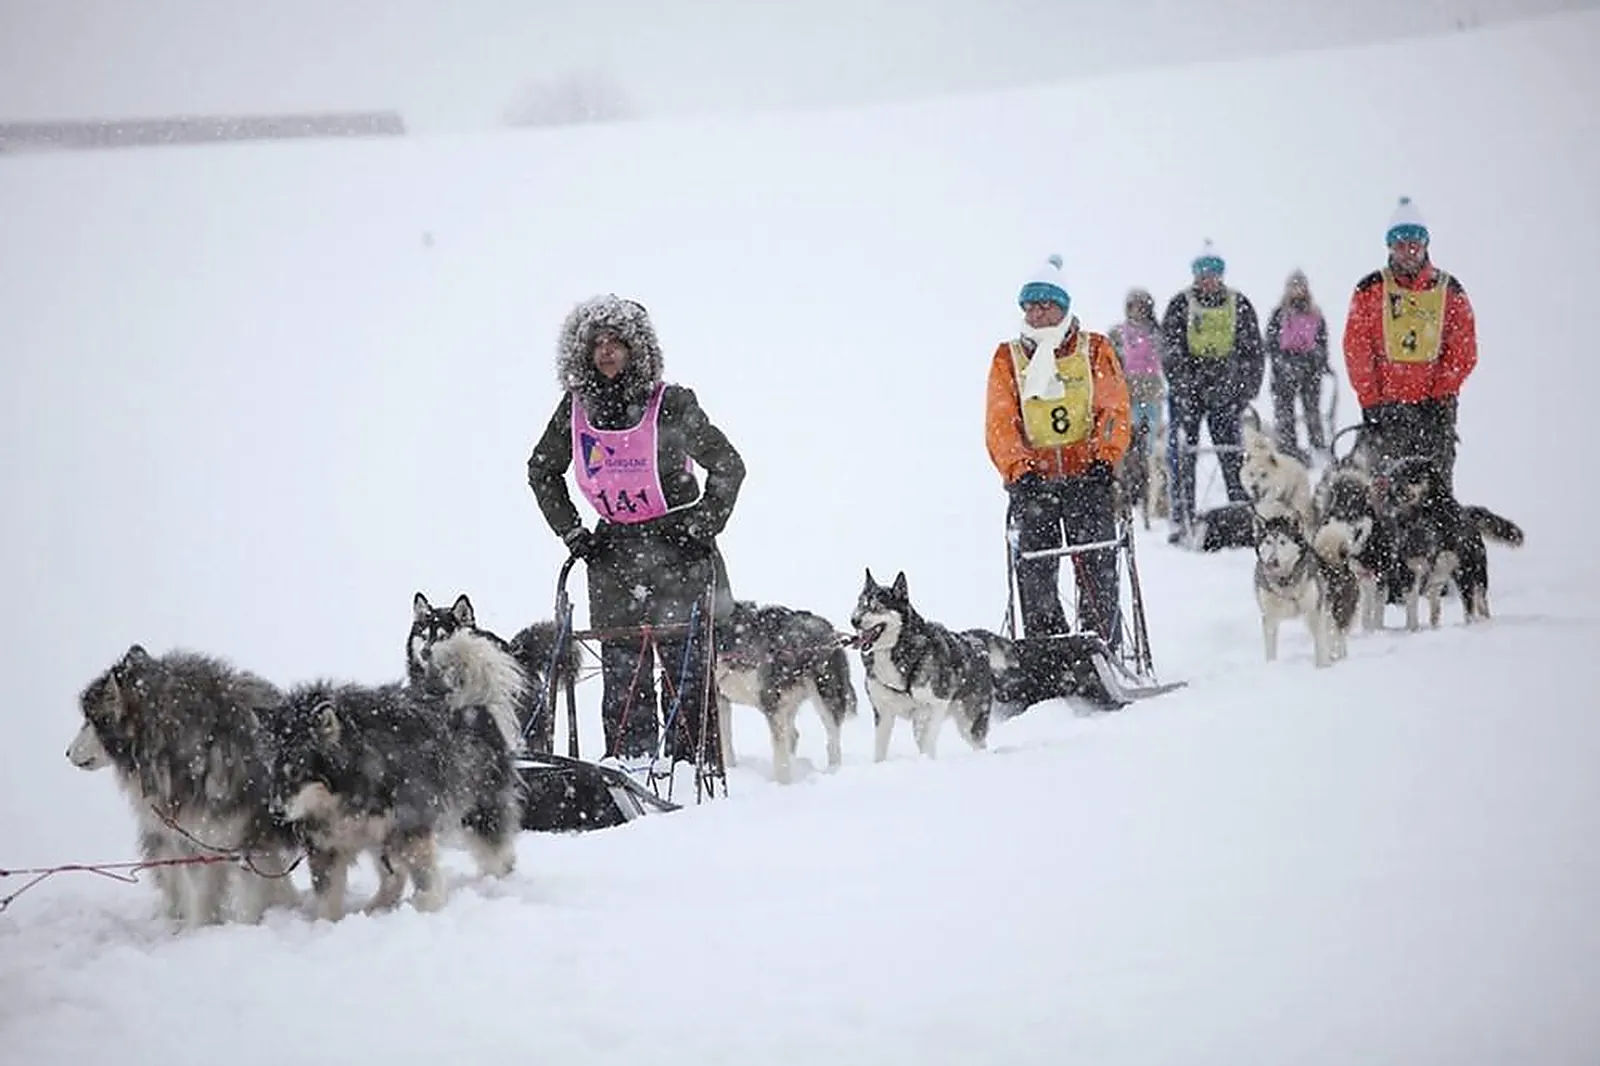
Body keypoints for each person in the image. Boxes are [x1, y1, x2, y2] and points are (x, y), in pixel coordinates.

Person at [526, 295, 746, 765]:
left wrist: (700, 525)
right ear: (581, 353)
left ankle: (692, 773)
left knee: (684, 676)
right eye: (596, 343)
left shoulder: (672, 404)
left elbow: (728, 466)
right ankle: (631, 770)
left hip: (677, 553)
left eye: (617, 342)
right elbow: (542, 470)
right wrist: (571, 531)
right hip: (611, 556)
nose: (606, 351)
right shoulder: (575, 410)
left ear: (636, 348)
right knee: (624, 679)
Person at [986, 255, 1132, 647]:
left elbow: (1113, 408)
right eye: (1030, 306)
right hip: (1035, 484)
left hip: (1088, 477)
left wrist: (1106, 457)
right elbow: (1000, 422)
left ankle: (1101, 644)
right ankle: (1046, 652)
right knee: (1036, 575)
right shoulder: (1008, 357)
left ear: (1063, 308)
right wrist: (1020, 470)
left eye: (1045, 305)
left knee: (1097, 567)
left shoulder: (1094, 349)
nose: (1036, 314)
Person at [1342, 196, 1478, 492]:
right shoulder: (1370, 290)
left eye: (1415, 242)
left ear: (1426, 244)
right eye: (1400, 243)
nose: (1408, 250)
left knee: (1435, 497)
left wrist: (1440, 394)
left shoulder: (1449, 290)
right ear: (1390, 246)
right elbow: (1357, 349)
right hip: (1386, 413)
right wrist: (1372, 400)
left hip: (1435, 413)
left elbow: (1463, 349)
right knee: (1388, 499)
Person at [1159, 240, 1265, 543]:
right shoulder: (1180, 305)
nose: (1208, 280)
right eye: (1203, 274)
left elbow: (1253, 351)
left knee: (1233, 457)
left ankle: (1242, 514)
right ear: (1196, 276)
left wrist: (1243, 391)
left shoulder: (1239, 304)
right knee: (1182, 454)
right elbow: (1170, 349)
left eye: (1213, 274)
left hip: (1227, 393)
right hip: (1187, 393)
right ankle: (1181, 517)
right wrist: (1185, 385)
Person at [1108, 288, 1167, 512]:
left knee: (1151, 447)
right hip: (1127, 393)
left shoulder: (1157, 334)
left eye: (1142, 306)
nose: (1138, 311)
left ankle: (1151, 496)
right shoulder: (1118, 333)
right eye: (1134, 306)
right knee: (1124, 444)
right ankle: (1124, 493)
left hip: (1151, 393)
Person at [1264, 269, 1330, 464]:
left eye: (1300, 285)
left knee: (1312, 410)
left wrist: (1315, 362)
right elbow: (1270, 342)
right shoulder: (1279, 314)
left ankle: (1317, 446)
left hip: (1310, 370)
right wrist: (1283, 362)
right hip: (1283, 371)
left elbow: (1322, 342)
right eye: (1293, 285)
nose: (1297, 290)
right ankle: (1288, 447)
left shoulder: (1315, 314)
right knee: (1284, 412)